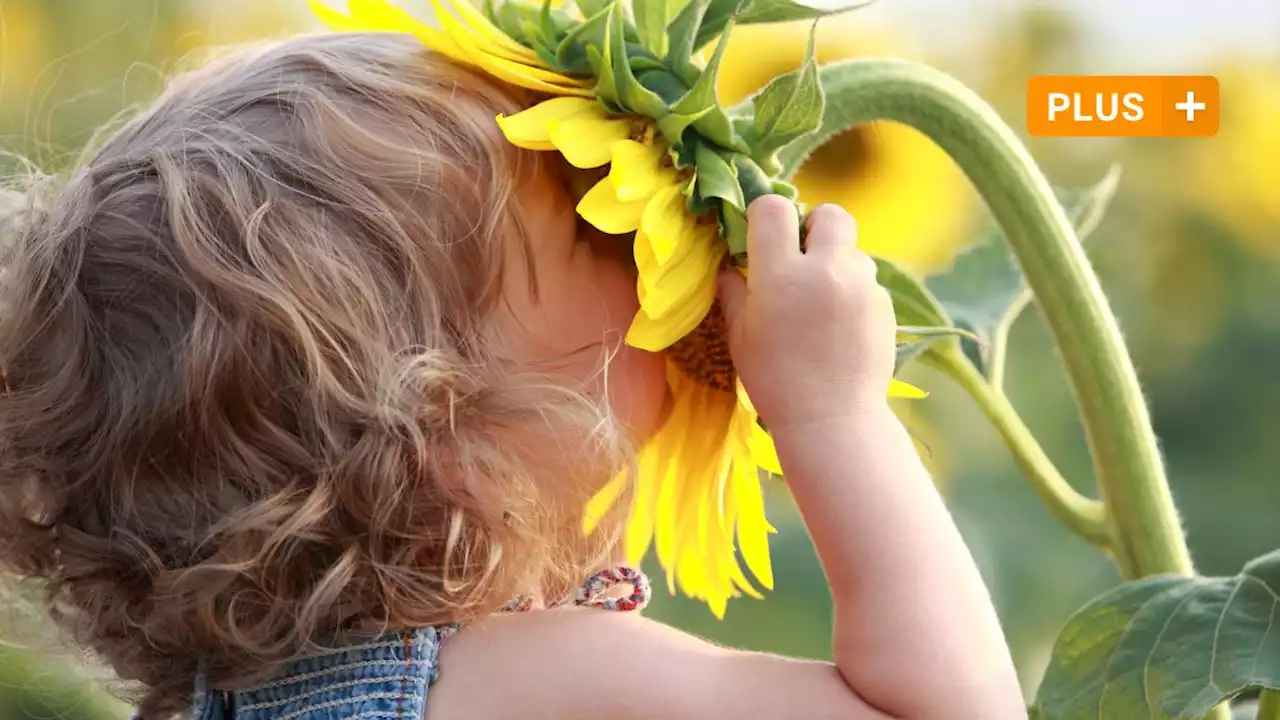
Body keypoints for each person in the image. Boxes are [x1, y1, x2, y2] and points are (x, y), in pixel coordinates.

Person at [0, 32, 1025, 719]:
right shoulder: (521, 682)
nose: (646, 274)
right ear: (447, 442)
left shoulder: (225, 694)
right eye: (595, 237)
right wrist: (831, 409)